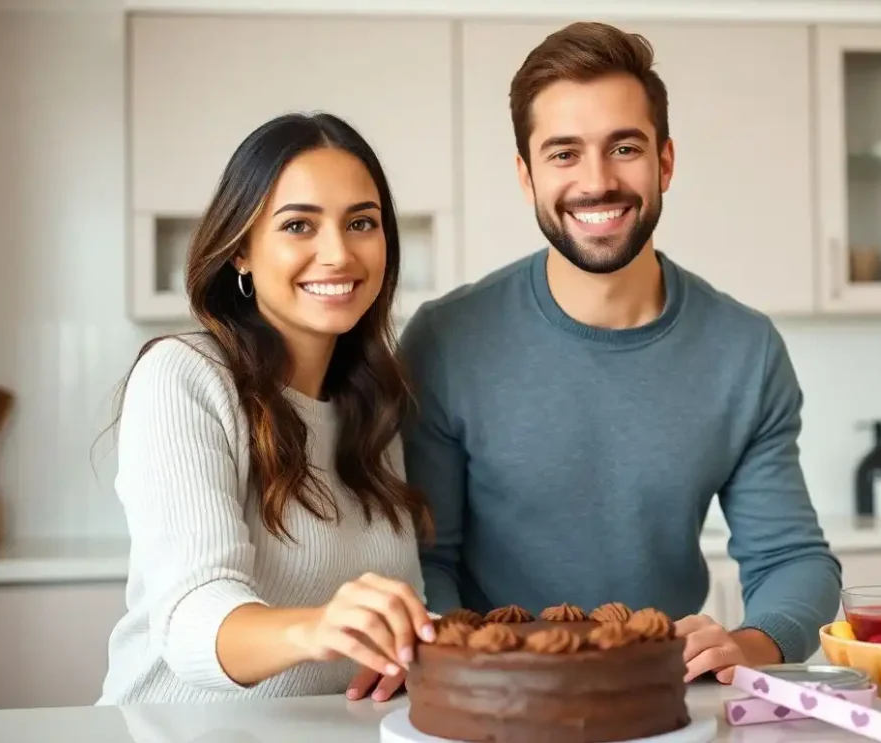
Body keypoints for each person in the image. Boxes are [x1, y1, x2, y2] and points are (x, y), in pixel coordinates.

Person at [400, 22, 842, 684]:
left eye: (624, 147)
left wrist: (750, 643)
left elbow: (792, 559)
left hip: (662, 693)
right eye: (564, 153)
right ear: (526, 176)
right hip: (494, 695)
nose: (597, 181)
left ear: (665, 161)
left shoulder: (745, 351)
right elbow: (427, 559)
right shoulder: (444, 340)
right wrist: (476, 670)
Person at [98, 112, 434, 707]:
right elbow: (192, 616)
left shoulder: (375, 403)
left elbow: (392, 617)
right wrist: (321, 625)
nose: (337, 254)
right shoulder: (186, 376)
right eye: (299, 225)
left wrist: (403, 651)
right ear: (242, 252)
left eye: (361, 222)